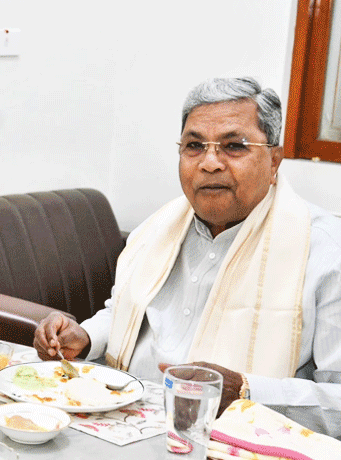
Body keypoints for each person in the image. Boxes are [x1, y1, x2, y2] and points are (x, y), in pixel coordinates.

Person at [34, 77, 341, 438]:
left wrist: (246, 392)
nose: (210, 163)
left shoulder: (324, 251)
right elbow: (127, 313)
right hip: (124, 425)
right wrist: (85, 337)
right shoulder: (157, 229)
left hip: (248, 452)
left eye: (234, 146)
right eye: (194, 145)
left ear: (274, 160)